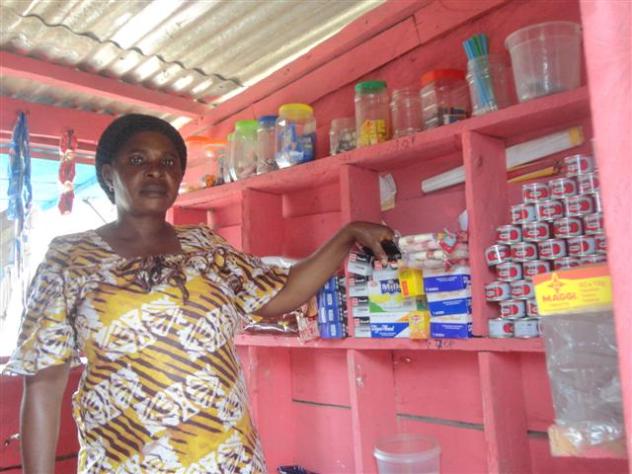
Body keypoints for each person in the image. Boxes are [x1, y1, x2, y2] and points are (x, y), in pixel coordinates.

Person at [5, 114, 394, 473]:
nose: (156, 170)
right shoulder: (70, 258)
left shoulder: (206, 246)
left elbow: (282, 293)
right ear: (109, 174)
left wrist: (347, 236)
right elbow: (43, 384)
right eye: (138, 160)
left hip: (230, 460)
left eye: (169, 162)